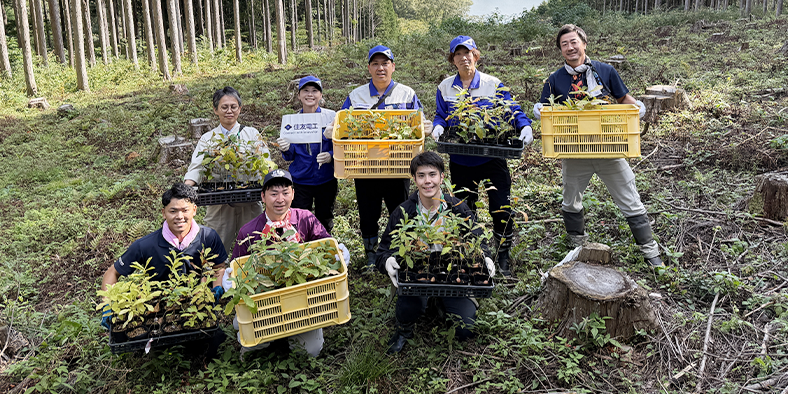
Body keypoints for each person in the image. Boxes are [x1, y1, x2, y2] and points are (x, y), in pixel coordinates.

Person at [533, 24, 663, 267]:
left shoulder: (605, 70)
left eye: (574, 42)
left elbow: (623, 98)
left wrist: (637, 109)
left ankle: (651, 253)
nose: (570, 47)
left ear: (584, 43)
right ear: (560, 50)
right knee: (570, 199)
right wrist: (540, 109)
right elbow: (544, 105)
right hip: (573, 149)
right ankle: (577, 246)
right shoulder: (554, 80)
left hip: (608, 147)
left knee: (630, 197)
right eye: (564, 44)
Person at [431, 35, 533, 277]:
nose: (464, 57)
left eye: (468, 53)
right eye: (458, 54)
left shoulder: (492, 83)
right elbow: (440, 114)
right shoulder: (445, 87)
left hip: (492, 157)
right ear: (452, 59)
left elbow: (512, 109)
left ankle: (503, 253)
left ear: (475, 56)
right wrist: (438, 126)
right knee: (465, 209)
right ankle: (473, 252)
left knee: (501, 207)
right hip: (460, 159)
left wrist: (524, 126)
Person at [324, 45, 432, 271]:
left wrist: (426, 127)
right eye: (375, 64)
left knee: (401, 210)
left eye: (385, 63)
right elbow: (341, 123)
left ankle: (399, 252)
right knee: (367, 212)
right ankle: (371, 254)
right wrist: (332, 128)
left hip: (398, 165)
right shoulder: (356, 95)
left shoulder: (407, 93)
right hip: (365, 166)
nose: (380, 68)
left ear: (393, 66)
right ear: (369, 68)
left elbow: (419, 123)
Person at [375, 152, 495, 354]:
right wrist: (387, 262)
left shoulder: (458, 209)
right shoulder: (404, 211)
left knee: (465, 329)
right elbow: (382, 252)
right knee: (408, 307)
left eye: (432, 174)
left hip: (451, 274)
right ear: (414, 179)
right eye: (421, 175)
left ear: (442, 177)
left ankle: (440, 302)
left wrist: (487, 257)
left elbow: (478, 239)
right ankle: (404, 331)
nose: (427, 181)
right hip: (417, 276)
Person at [223, 169, 350, 358]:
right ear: (263, 197)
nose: (280, 199)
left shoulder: (305, 218)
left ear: (293, 194)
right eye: (273, 194)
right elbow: (237, 268)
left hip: (303, 299)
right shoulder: (249, 231)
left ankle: (294, 333)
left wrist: (339, 252)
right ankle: (259, 333)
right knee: (250, 345)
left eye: (285, 192)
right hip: (266, 302)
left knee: (311, 351)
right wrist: (229, 279)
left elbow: (326, 246)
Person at [100, 183, 227, 358]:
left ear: (195, 210)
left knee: (211, 341)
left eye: (185, 210)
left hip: (194, 307)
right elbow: (112, 273)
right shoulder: (146, 245)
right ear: (163, 213)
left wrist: (217, 286)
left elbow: (219, 266)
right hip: (158, 312)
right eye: (173, 211)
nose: (179, 216)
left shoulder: (208, 237)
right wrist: (108, 304)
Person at [184, 86, 270, 257]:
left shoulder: (251, 134)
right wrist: (185, 189)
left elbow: (265, 164)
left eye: (233, 106)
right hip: (219, 204)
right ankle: (214, 281)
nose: (229, 111)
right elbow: (197, 167)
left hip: (249, 201)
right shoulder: (208, 139)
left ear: (240, 108)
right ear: (216, 110)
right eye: (224, 107)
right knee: (213, 250)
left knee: (256, 247)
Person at [275, 76, 338, 233]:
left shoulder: (331, 117)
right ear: (298, 95)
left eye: (314, 91)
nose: (310, 94)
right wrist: (285, 148)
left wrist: (330, 155)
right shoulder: (292, 121)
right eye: (306, 91)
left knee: (325, 217)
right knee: (300, 219)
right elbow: (289, 156)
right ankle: (303, 251)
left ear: (321, 95)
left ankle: (324, 248)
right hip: (301, 180)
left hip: (327, 178)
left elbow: (341, 146)